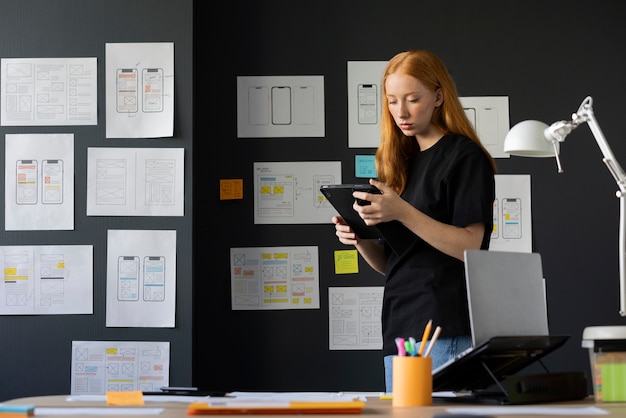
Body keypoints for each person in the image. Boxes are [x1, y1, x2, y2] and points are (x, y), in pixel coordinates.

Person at [331, 49, 496, 393]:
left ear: (438, 96)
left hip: (443, 327)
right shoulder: (401, 163)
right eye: (392, 101)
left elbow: (471, 246)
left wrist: (402, 212)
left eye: (412, 99)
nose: (401, 112)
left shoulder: (464, 157)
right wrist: (360, 239)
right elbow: (394, 264)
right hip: (399, 328)